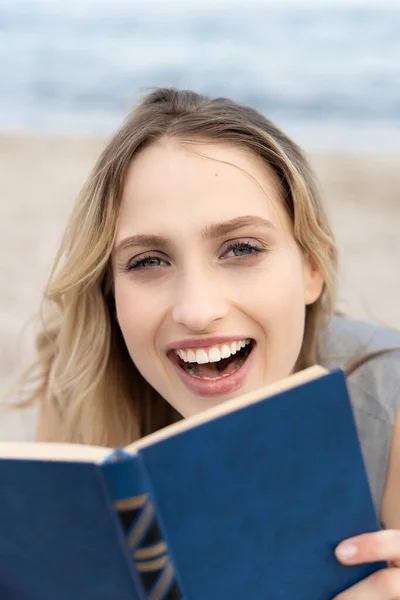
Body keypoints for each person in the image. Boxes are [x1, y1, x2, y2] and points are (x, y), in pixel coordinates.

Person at [23, 88, 400, 597]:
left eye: (240, 248)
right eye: (148, 261)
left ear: (311, 268)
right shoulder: (76, 386)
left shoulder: (388, 405)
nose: (197, 311)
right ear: (111, 293)